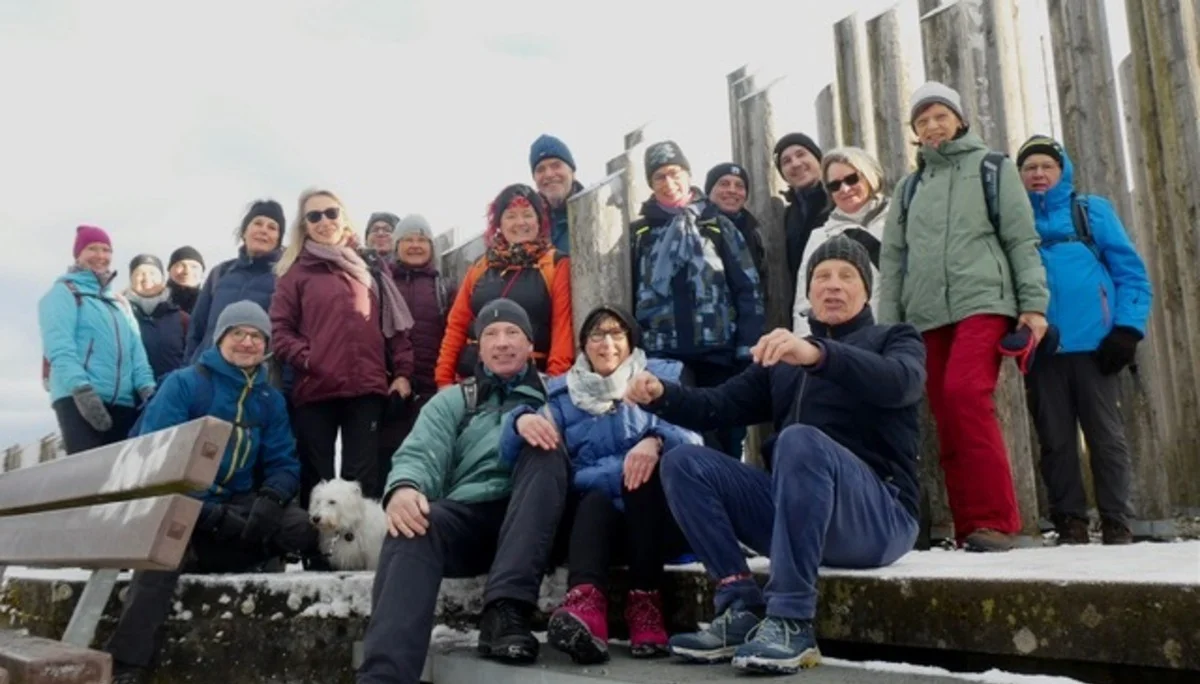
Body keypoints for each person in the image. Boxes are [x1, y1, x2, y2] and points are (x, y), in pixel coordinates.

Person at [625, 237, 924, 675]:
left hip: (878, 519)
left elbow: (902, 383)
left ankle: (790, 619)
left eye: (847, 276)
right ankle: (740, 604)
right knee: (683, 460)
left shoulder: (894, 339)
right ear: (809, 291)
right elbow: (716, 406)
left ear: (866, 289)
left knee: (799, 440)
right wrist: (661, 395)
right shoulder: (784, 360)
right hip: (796, 514)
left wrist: (818, 354)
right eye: (822, 276)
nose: (833, 286)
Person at [358, 299, 571, 684]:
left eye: (512, 333)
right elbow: (420, 451)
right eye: (491, 334)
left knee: (545, 449)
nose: (502, 342)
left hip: (540, 521)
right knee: (414, 525)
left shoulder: (559, 397)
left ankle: (506, 611)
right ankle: (383, 677)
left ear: (529, 344)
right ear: (478, 346)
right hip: (470, 518)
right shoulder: (455, 400)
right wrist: (405, 488)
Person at [105, 301, 317, 684]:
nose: (248, 343)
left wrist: (270, 499)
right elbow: (156, 463)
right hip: (178, 501)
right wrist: (207, 514)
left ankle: (209, 551)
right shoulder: (185, 383)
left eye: (256, 336)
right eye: (238, 333)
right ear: (220, 337)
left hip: (234, 502)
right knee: (164, 548)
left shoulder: (269, 399)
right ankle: (128, 664)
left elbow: (284, 463)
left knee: (299, 527)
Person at [878, 81, 1049, 552]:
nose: (932, 126)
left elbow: (1020, 238)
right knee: (945, 412)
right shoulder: (909, 188)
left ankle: (997, 520)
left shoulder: (993, 167)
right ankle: (970, 526)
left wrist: (1033, 305)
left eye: (940, 116)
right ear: (915, 132)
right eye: (922, 120)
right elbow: (893, 262)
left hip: (985, 301)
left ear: (959, 119)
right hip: (925, 314)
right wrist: (888, 330)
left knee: (965, 395)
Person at [499, 304, 701, 664]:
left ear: (630, 341)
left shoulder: (662, 377)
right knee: (594, 501)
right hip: (594, 529)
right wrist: (518, 421)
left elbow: (694, 440)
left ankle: (646, 604)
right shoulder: (563, 394)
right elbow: (518, 455)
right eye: (597, 335)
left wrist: (655, 441)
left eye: (616, 334)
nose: (607, 344)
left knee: (641, 478)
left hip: (655, 524)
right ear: (584, 344)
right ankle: (586, 607)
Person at [1016, 134, 1153, 546]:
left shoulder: (1090, 212)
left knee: (1106, 438)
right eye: (1029, 168)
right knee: (1055, 440)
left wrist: (1127, 330)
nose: (1038, 174)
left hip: (1098, 348)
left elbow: (1131, 273)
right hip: (1043, 348)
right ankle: (1069, 521)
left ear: (1062, 171)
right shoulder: (1015, 221)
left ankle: (1117, 521)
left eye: (1046, 166)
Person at [270, 189, 415, 505]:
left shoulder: (370, 267)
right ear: (305, 225)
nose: (324, 221)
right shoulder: (294, 272)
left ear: (344, 217)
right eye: (314, 216)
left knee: (362, 482)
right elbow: (280, 332)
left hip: (366, 388)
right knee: (317, 480)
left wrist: (402, 372)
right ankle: (318, 554)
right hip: (315, 389)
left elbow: (395, 326)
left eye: (331, 212)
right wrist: (311, 359)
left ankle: (361, 553)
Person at [631, 140, 763, 459]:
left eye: (675, 173)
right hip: (664, 354)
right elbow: (630, 291)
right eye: (659, 176)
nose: (668, 183)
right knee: (678, 439)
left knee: (727, 440)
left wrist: (747, 348)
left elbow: (748, 288)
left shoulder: (717, 225)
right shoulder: (640, 233)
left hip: (719, 353)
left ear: (689, 175)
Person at [435, 183, 574, 388]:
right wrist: (444, 379)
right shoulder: (480, 266)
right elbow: (457, 324)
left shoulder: (555, 264)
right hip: (472, 378)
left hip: (532, 380)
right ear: (499, 223)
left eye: (527, 214)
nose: (520, 222)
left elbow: (562, 329)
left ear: (539, 220)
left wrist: (554, 384)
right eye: (510, 216)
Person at [39, 225, 156, 454]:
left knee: (119, 478)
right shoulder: (64, 293)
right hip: (78, 398)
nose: (100, 256)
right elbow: (60, 348)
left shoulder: (119, 303)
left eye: (106, 249)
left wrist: (148, 391)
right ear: (78, 254)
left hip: (122, 401)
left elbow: (137, 353)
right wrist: (82, 392)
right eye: (92, 248)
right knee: (87, 473)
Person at [378, 213, 455, 484]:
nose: (414, 245)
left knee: (429, 461)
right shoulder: (382, 284)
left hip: (431, 389)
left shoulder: (442, 287)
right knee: (385, 460)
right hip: (390, 391)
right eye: (407, 239)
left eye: (421, 240)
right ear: (396, 245)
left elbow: (453, 332)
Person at [793, 146, 889, 335]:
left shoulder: (900, 220)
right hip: (845, 344)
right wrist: (807, 350)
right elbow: (805, 303)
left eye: (852, 179)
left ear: (869, 176)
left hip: (898, 336)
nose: (845, 189)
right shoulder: (820, 237)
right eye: (834, 185)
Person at [187, 199, 288, 365]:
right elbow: (196, 329)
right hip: (206, 372)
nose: (263, 230)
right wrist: (189, 368)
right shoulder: (220, 273)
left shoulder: (285, 278)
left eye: (272, 227)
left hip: (254, 376)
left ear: (278, 239)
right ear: (244, 231)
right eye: (258, 223)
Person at [774, 132, 832, 307]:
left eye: (801, 154)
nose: (795, 164)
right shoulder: (787, 216)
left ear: (818, 159)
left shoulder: (841, 199)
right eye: (786, 161)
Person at [126, 254, 188, 382]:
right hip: (130, 397)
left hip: (173, 394)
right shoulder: (120, 316)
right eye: (140, 273)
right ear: (131, 279)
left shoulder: (182, 319)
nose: (146, 278)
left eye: (152, 273)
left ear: (163, 279)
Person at [705, 162, 766, 289]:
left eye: (739, 186)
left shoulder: (753, 232)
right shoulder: (693, 229)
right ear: (710, 190)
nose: (732, 190)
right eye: (724, 184)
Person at [530, 134, 584, 255]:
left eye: (556, 165)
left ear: (572, 171)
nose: (549, 174)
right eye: (540, 169)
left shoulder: (593, 211)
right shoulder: (529, 223)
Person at [167, 246, 205, 314]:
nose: (187, 271)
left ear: (202, 273)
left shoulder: (210, 302)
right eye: (180, 265)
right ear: (169, 270)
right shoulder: (157, 301)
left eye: (194, 267)